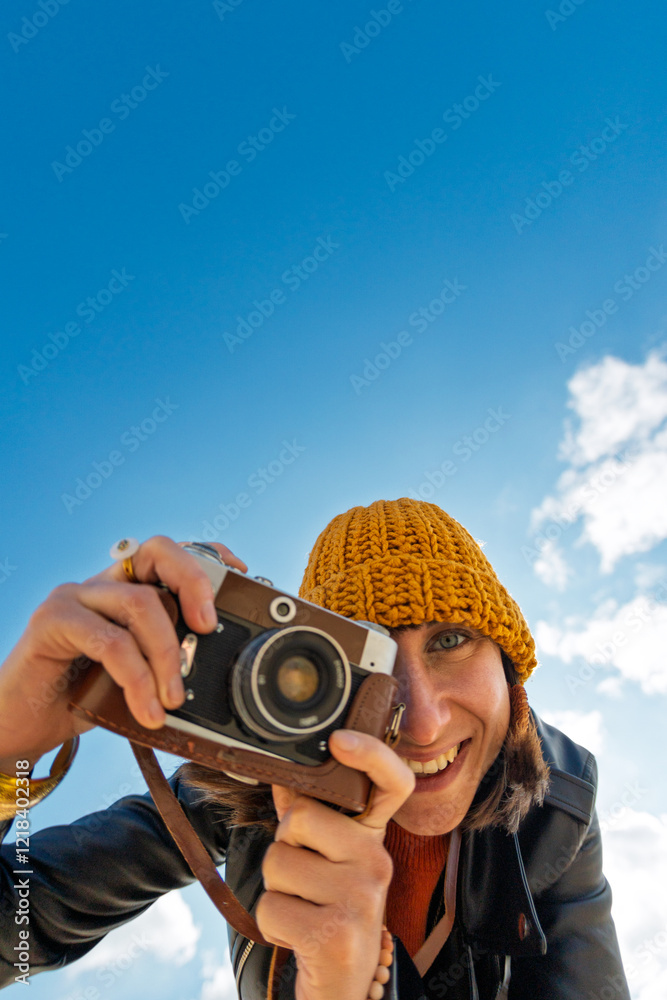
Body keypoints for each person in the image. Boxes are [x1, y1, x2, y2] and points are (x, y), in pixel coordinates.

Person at [0, 498, 630, 999]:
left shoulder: (561, 800)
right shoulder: (247, 790)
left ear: (510, 669)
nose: (421, 724)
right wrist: (9, 747)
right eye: (373, 668)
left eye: (450, 641)